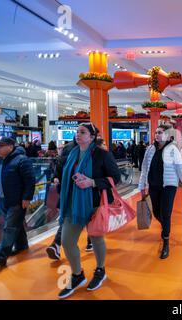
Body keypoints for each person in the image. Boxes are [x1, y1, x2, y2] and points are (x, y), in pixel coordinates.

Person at [55, 123, 121, 299]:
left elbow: (116, 178)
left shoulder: (102, 155)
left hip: (94, 203)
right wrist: (59, 180)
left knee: (97, 238)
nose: (78, 134)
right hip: (72, 205)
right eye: (77, 132)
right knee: (67, 241)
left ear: (92, 137)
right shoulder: (71, 153)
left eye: (82, 132)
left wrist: (91, 182)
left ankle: (100, 269)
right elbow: (62, 171)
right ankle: (78, 275)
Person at [139, 124, 182, 260]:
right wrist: (142, 186)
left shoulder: (172, 150)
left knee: (166, 213)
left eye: (160, 132)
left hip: (169, 186)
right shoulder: (150, 149)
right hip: (154, 186)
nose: (157, 134)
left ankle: (165, 242)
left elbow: (180, 168)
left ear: (168, 135)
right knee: (156, 212)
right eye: (156, 132)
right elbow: (145, 169)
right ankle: (166, 227)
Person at [0, 137, 35, 267]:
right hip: (3, 199)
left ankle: (0, 256)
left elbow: (30, 180)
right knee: (16, 225)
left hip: (16, 201)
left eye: (0, 145)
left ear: (10, 146)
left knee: (9, 228)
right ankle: (22, 245)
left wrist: (27, 198)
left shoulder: (22, 160)